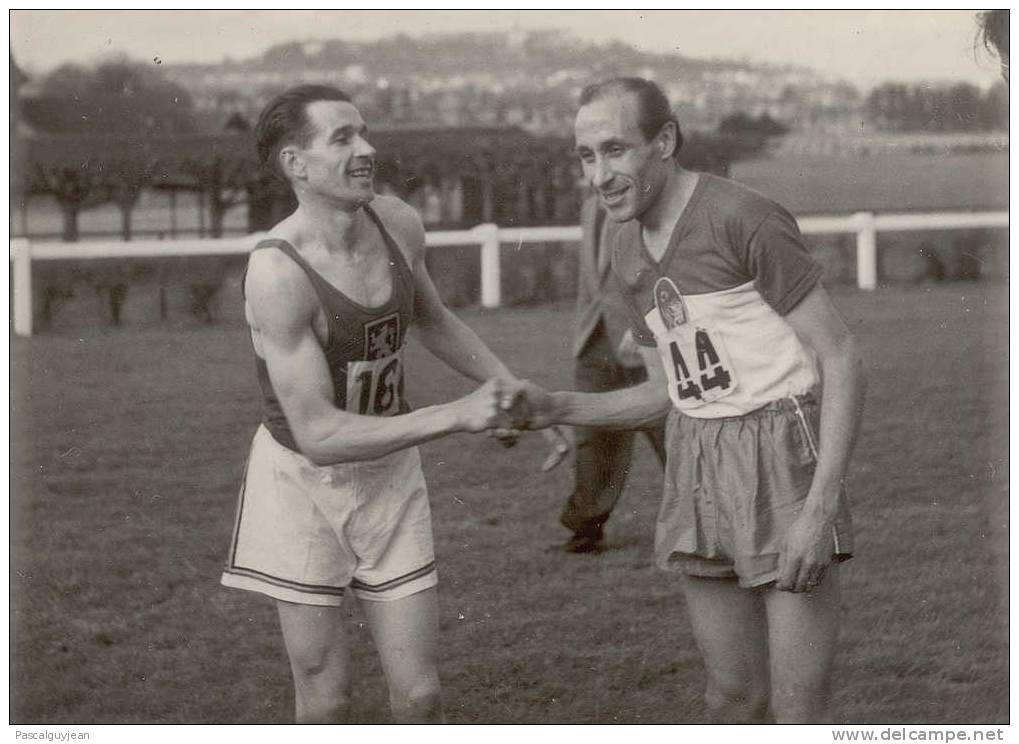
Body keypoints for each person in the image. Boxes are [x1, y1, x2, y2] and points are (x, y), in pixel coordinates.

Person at [521, 78, 865, 723]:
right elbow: (665, 394)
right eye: (586, 156)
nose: (600, 174)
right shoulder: (624, 249)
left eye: (615, 150)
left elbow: (840, 354)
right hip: (696, 460)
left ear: (667, 140)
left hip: (780, 460)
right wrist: (555, 407)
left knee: (798, 708)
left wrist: (818, 510)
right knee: (731, 699)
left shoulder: (743, 217)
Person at [220, 84, 543, 724]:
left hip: (390, 477)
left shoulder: (396, 223)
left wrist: (508, 390)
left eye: (364, 132)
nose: (367, 149)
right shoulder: (278, 272)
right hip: (303, 486)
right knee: (325, 694)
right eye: (343, 138)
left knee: (421, 694)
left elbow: (433, 319)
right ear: (296, 164)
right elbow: (317, 434)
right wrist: (456, 414)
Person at [557, 194, 666, 553]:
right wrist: (584, 332)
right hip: (595, 337)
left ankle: (713, 518)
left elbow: (666, 269)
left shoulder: (653, 201)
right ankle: (586, 527)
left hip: (644, 337)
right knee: (593, 432)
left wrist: (648, 327)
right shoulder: (591, 206)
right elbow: (592, 281)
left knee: (673, 431)